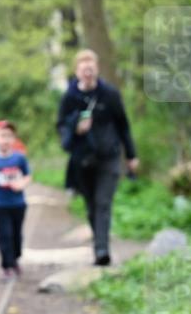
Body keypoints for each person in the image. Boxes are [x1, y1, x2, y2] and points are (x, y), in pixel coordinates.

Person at [57, 48, 139, 266]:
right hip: (82, 159)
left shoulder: (110, 94)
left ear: (97, 69)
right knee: (91, 205)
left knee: (103, 202)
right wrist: (76, 127)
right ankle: (99, 243)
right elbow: (61, 126)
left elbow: (123, 125)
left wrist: (131, 155)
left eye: (91, 68)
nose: (88, 73)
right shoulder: (69, 98)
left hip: (108, 156)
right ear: (77, 71)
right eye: (84, 69)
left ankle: (102, 250)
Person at [0, 120, 32, 281]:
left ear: (14, 139)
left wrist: (21, 184)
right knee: (4, 235)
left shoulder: (19, 158)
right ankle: (7, 266)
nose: (5, 140)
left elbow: (27, 176)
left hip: (18, 203)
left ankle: (15, 259)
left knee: (17, 235)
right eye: (2, 136)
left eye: (9, 136)